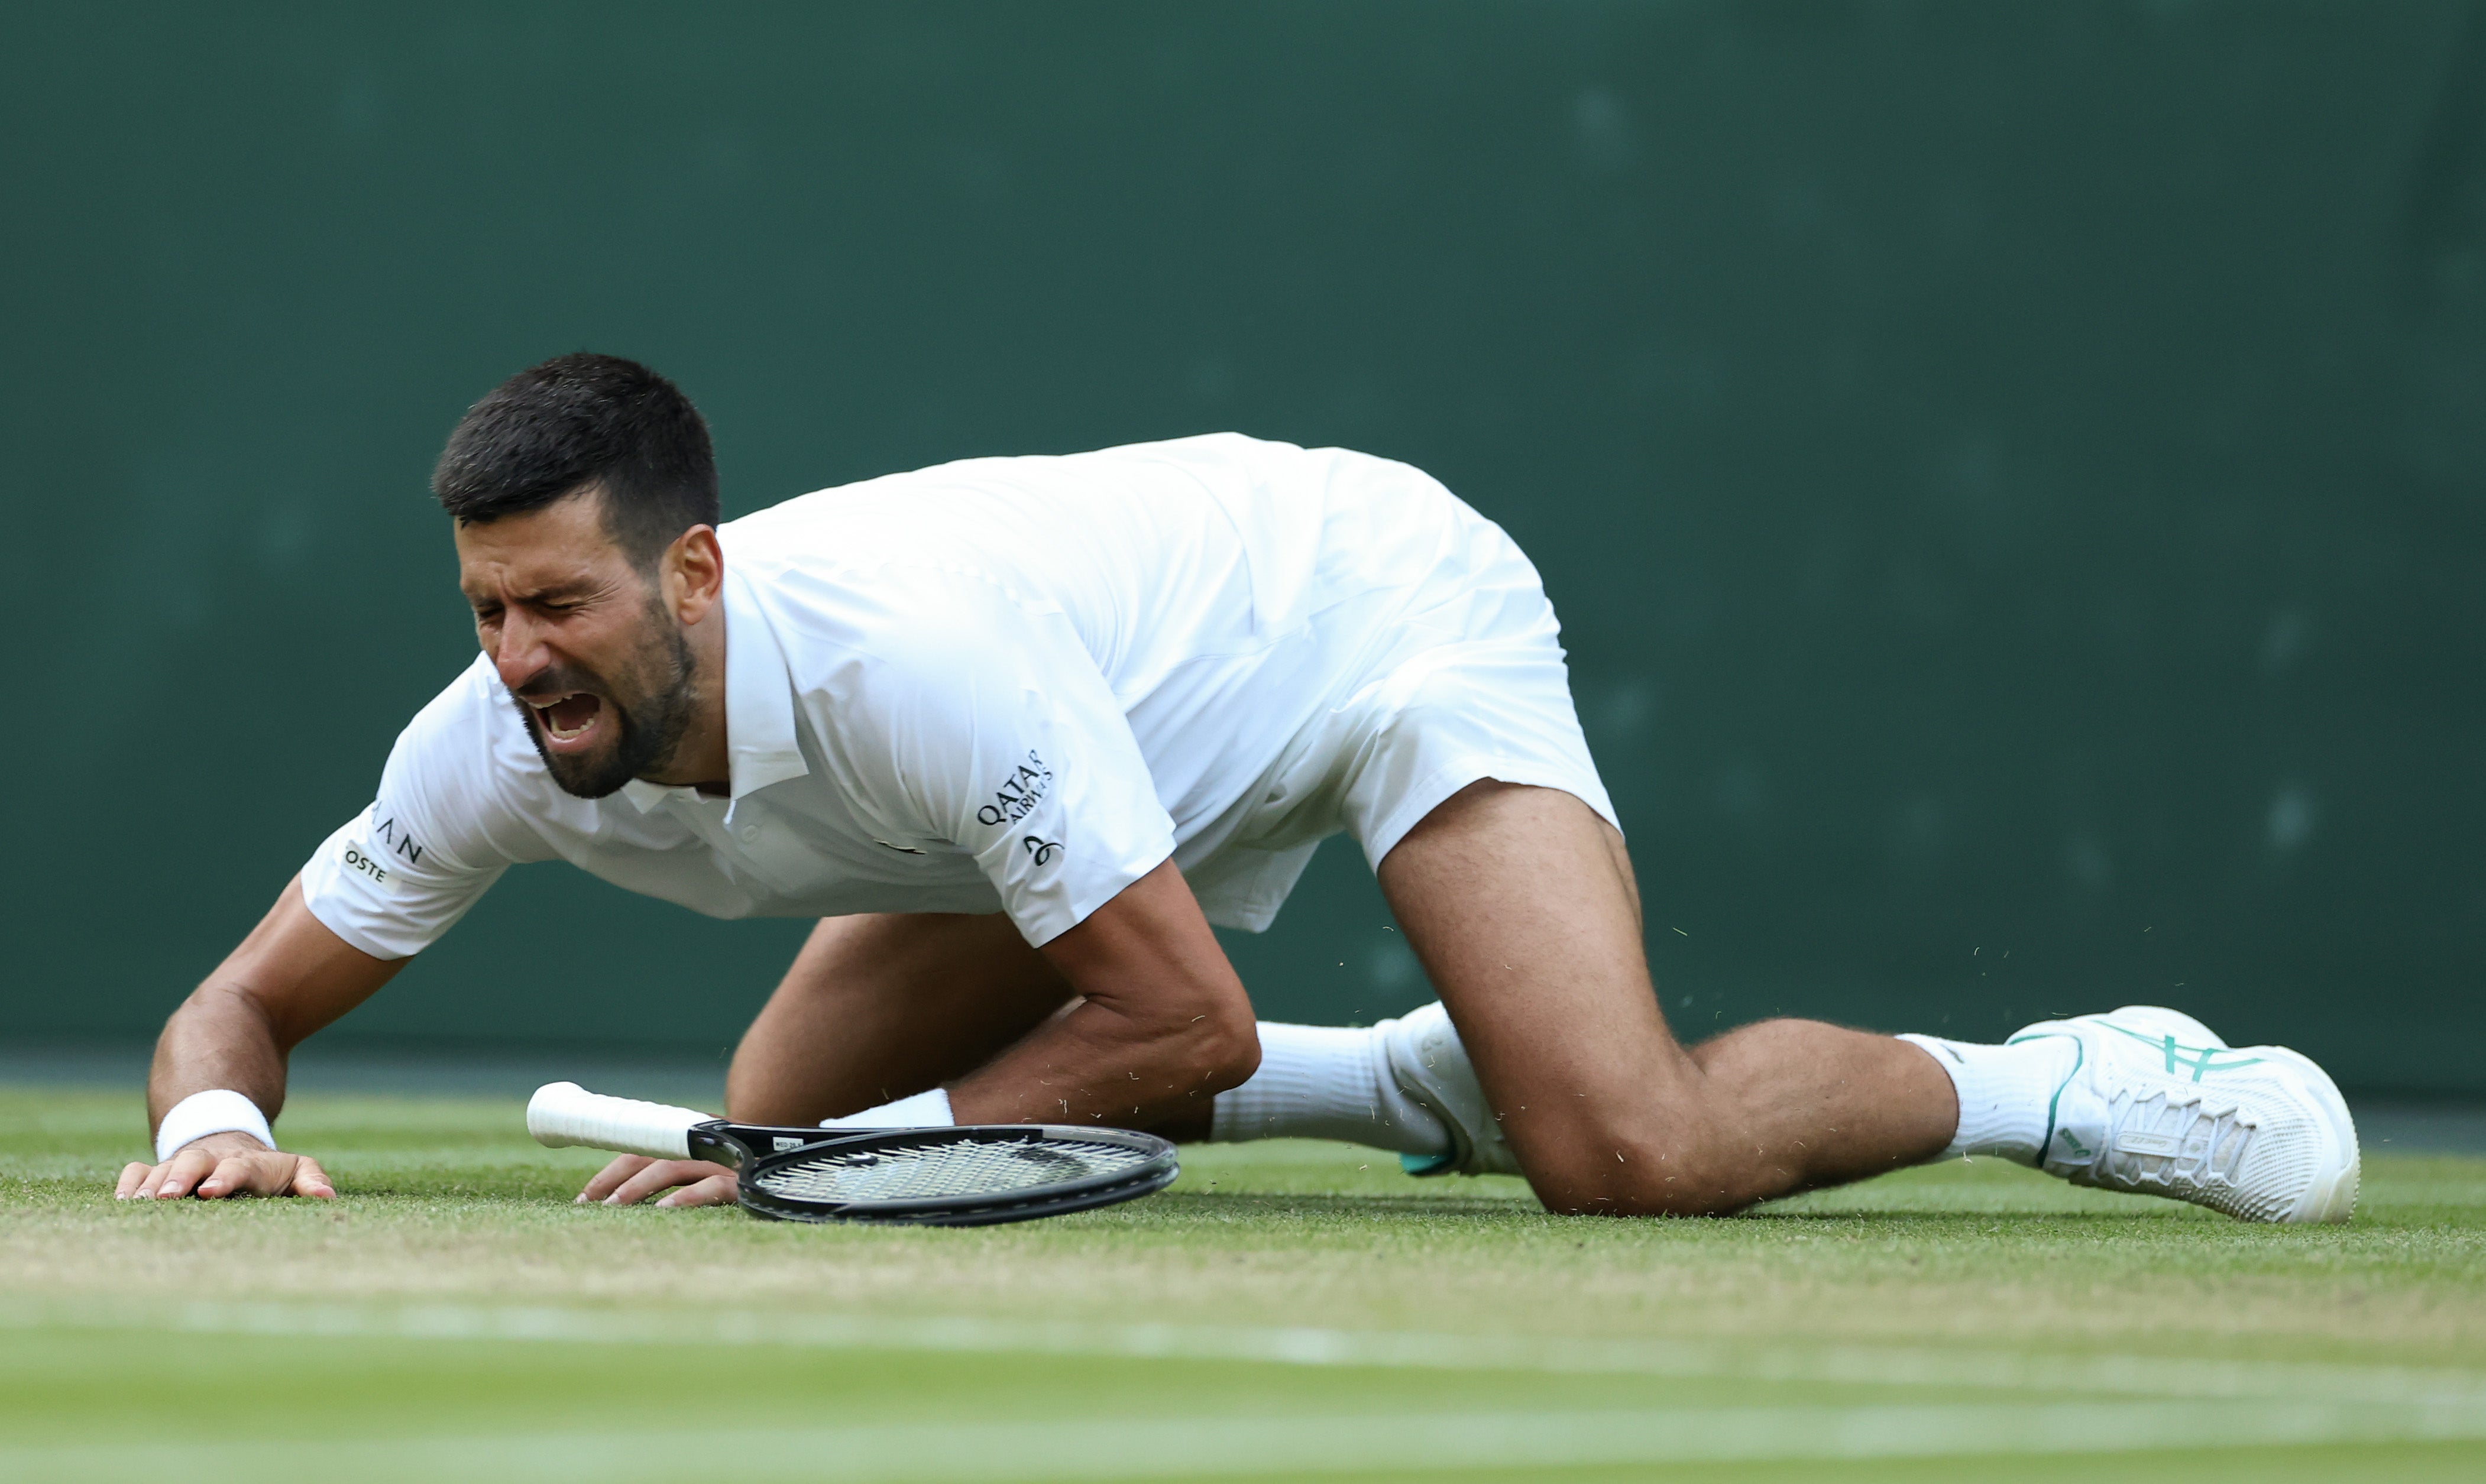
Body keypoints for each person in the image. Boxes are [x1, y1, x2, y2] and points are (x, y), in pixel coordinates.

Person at [116, 354, 2361, 1223]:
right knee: (777, 1087)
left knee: (1619, 1151)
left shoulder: (917, 670)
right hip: (1073, 772)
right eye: (487, 614)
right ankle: (1402, 1076)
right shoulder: (489, 739)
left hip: (1354, 626)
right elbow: (240, 1013)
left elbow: (1165, 1028)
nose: (520, 664)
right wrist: (217, 1131)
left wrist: (825, 1170)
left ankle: (2061, 1079)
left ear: (689, 569)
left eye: (560, 613)